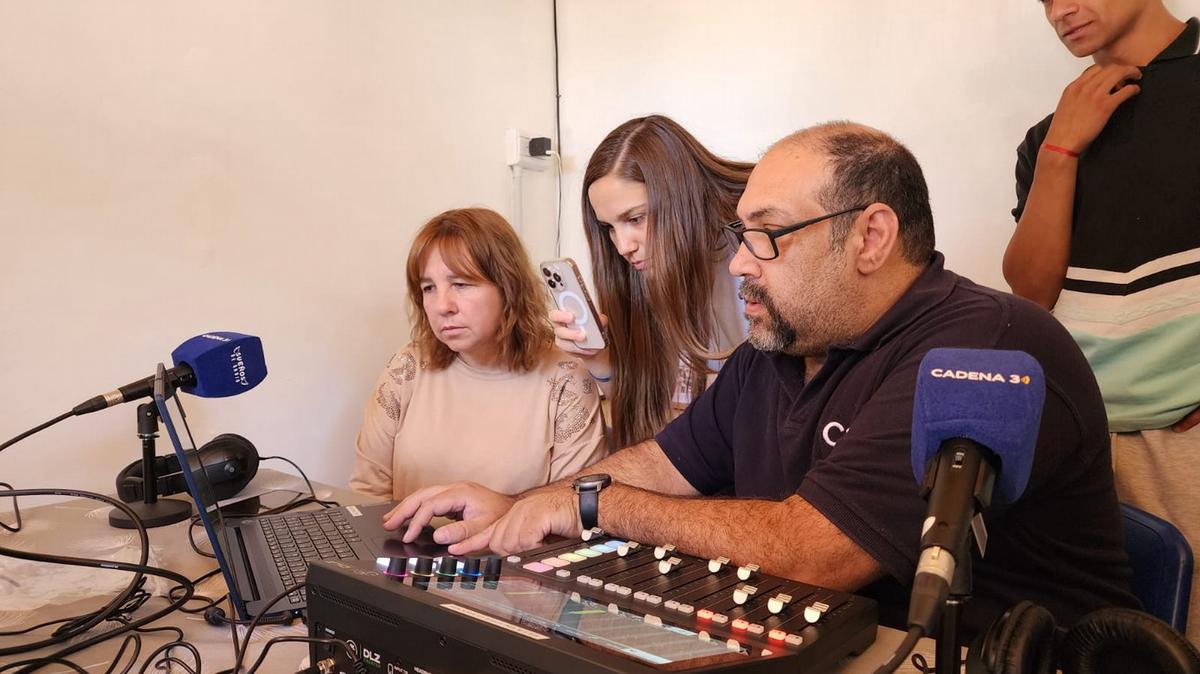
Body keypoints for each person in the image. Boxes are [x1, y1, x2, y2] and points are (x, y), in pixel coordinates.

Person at [384, 123, 1137, 638]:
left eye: (767, 236)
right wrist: (524, 507)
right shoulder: (776, 351)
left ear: (870, 237)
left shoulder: (982, 347)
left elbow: (817, 550)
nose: (741, 262)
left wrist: (594, 503)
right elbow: (664, 463)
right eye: (741, 235)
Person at [1004, 0, 1200, 640]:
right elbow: (1031, 290)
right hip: (1083, 446)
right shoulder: (1045, 136)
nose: (1060, 10)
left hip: (1187, 443)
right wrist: (1061, 149)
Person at [349, 207, 606, 501]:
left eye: (460, 284)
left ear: (508, 288)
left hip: (516, 547)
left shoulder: (566, 380)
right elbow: (367, 495)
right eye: (428, 288)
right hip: (401, 546)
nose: (442, 305)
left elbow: (573, 507)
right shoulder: (406, 369)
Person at [551, 115, 753, 448]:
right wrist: (598, 359)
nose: (622, 246)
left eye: (635, 218)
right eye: (609, 228)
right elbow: (642, 406)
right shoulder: (642, 270)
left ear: (680, 196)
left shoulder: (752, 248)